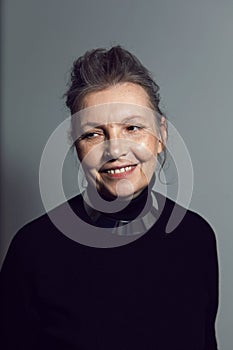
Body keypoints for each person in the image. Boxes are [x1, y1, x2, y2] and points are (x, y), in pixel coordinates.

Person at [0, 46, 219, 349]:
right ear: (76, 145)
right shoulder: (32, 251)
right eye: (94, 134)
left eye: (133, 128)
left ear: (161, 135)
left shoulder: (197, 237)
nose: (115, 151)